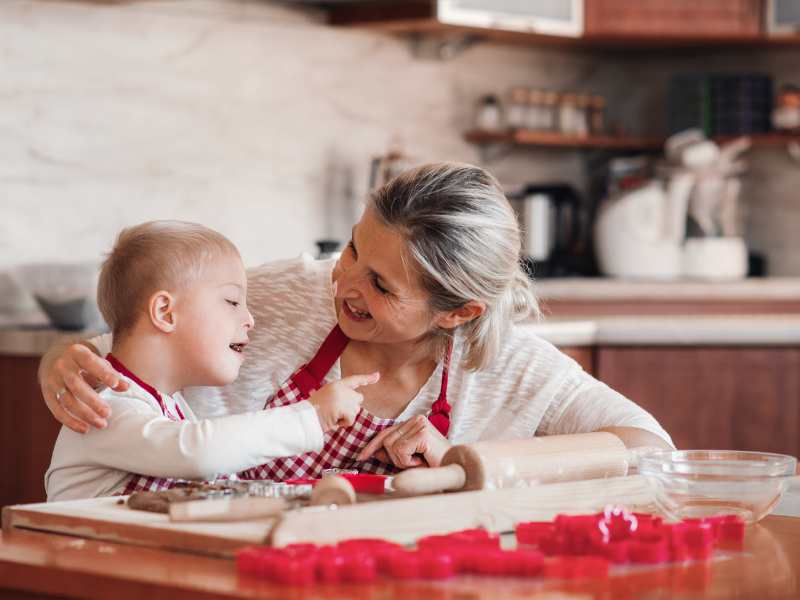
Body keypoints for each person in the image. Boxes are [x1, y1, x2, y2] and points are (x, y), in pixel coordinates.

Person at [40, 163, 672, 482]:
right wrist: (61, 360)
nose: (343, 283)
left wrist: (469, 459)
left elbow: (651, 451)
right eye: (352, 249)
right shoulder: (291, 292)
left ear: (459, 311)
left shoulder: (511, 367)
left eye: (381, 284)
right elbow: (134, 336)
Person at [45, 221, 375, 501]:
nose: (250, 320)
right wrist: (312, 417)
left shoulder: (170, 406)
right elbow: (198, 452)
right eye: (232, 301)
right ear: (165, 312)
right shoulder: (106, 404)